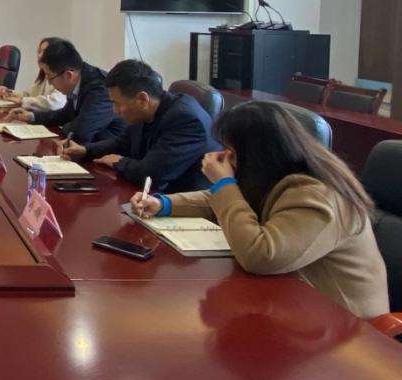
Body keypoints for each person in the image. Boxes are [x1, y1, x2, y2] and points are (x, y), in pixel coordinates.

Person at [131, 101, 390, 319]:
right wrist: (164, 204)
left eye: (231, 151)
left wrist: (224, 183)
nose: (223, 157)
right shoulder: (276, 174)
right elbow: (225, 199)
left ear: (258, 154)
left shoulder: (316, 196)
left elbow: (260, 256)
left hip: (345, 327)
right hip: (293, 302)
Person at [61, 59, 214, 192]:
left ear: (142, 99)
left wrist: (119, 162)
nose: (114, 110)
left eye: (117, 104)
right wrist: (86, 151)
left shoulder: (185, 119)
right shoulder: (145, 111)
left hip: (185, 204)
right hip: (150, 197)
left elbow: (152, 175)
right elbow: (121, 144)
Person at [5, 39, 123, 144]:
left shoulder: (100, 90)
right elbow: (65, 115)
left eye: (50, 77)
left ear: (68, 75)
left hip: (109, 155)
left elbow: (80, 133)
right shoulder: (80, 77)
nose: (49, 82)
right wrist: (31, 116)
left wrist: (68, 126)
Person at [0, 36, 67, 113]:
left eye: (45, 52)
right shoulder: (44, 74)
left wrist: (22, 101)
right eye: (39, 52)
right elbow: (28, 95)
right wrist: (9, 93)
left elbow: (56, 102)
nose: (40, 56)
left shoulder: (62, 76)